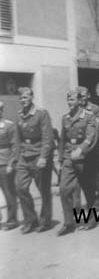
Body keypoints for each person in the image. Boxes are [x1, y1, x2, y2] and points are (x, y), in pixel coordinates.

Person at [14, 87, 54, 233]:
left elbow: (47, 138)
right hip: (24, 157)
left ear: (32, 98)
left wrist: (43, 157)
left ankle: (45, 221)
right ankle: (31, 220)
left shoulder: (41, 113)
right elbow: (17, 139)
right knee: (20, 187)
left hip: (39, 156)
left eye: (25, 97)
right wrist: (17, 158)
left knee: (43, 191)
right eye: (21, 98)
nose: (23, 101)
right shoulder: (19, 115)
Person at [58, 90, 96, 236]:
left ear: (80, 101)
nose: (69, 102)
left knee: (87, 188)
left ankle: (92, 218)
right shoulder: (65, 118)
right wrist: (61, 158)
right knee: (64, 189)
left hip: (84, 157)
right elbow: (63, 139)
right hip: (69, 156)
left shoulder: (88, 116)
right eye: (68, 99)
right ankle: (69, 223)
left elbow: (91, 136)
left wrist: (81, 149)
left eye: (72, 99)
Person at [77, 86, 99, 208]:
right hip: (81, 148)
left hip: (93, 147)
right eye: (79, 96)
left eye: (83, 96)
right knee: (84, 176)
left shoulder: (95, 109)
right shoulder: (76, 110)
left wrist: (89, 147)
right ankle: (91, 200)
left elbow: (96, 130)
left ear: (88, 96)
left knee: (96, 175)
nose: (81, 98)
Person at [0, 101, 18, 230]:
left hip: (4, 163)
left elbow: (15, 146)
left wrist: (11, 163)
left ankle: (12, 220)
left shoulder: (9, 125)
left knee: (9, 192)